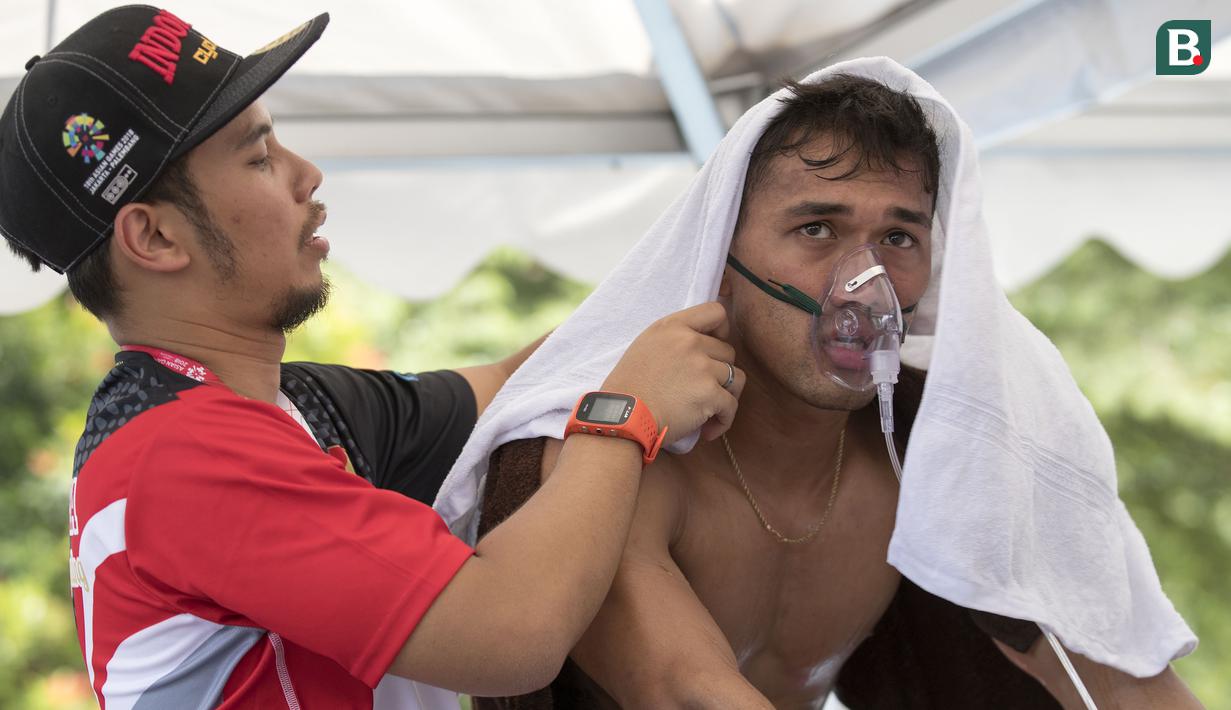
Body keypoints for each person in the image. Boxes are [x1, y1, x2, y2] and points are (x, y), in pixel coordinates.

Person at [0, 7, 745, 708]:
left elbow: (515, 381)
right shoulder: (185, 457)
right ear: (156, 239)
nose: (305, 175)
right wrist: (623, 417)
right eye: (259, 156)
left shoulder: (283, 408)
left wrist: (728, 279)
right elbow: (509, 632)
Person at [463, 73, 1203, 708]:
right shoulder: (619, 461)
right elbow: (685, 690)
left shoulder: (940, 462)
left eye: (899, 238)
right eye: (817, 228)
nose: (865, 283)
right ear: (720, 259)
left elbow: (1127, 677)